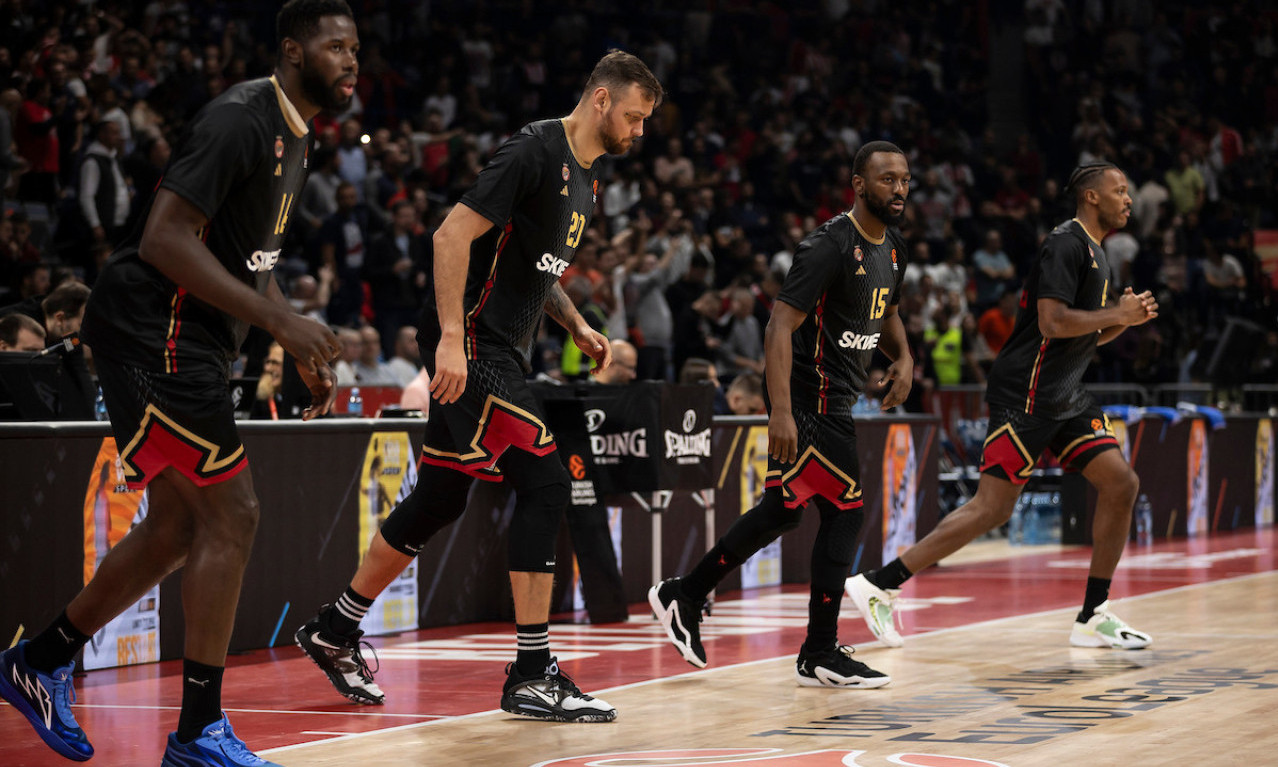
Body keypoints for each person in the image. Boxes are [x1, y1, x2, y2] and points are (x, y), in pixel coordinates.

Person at [0, 3, 355, 765]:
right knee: (235, 512)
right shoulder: (240, 118)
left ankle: (39, 659)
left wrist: (286, 334)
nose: (352, 60)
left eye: (356, 47)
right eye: (335, 46)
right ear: (293, 51)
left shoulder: (297, 135)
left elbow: (251, 263)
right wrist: (279, 321)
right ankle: (198, 731)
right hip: (151, 332)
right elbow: (163, 237)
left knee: (176, 528)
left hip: (187, 340)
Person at [294, 50, 661, 723]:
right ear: (602, 99)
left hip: (500, 352)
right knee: (546, 483)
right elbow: (450, 236)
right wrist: (450, 337)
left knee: (440, 497)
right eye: (635, 117)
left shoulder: (587, 177)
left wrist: (576, 323)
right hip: (475, 347)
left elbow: (536, 270)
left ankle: (334, 627)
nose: (640, 131)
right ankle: (532, 672)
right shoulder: (533, 149)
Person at [846, 161, 1159, 652]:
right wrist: (1116, 312)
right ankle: (879, 583)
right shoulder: (1066, 243)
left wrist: (1124, 320)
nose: (1128, 199)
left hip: (1065, 395)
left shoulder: (1098, 252)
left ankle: (1093, 614)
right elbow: (1053, 323)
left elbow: (1087, 333)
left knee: (1121, 483)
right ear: (1091, 196)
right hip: (1027, 394)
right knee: (991, 508)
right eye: (1120, 190)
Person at [649, 140, 914, 689]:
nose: (899, 189)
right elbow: (778, 326)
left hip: (839, 398)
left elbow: (885, 310)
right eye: (887, 179)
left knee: (782, 512)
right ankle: (819, 650)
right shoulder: (828, 245)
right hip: (809, 398)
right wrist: (782, 412)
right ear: (859, 184)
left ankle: (685, 594)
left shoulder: (893, 250)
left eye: (905, 180)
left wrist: (905, 357)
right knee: (846, 512)